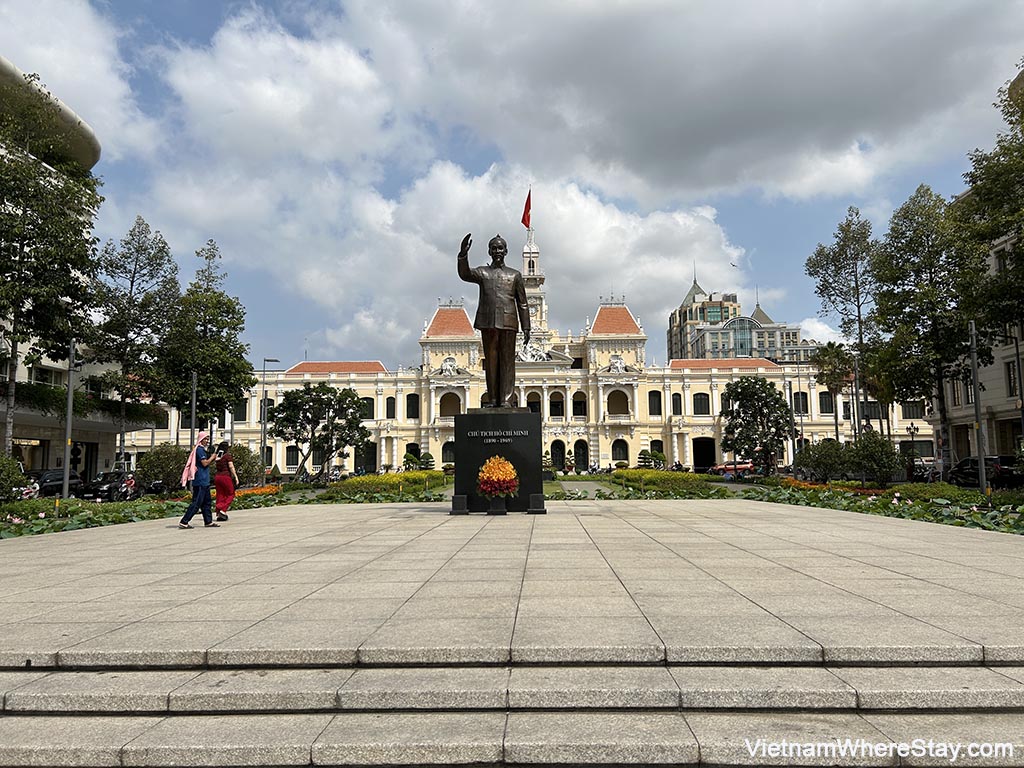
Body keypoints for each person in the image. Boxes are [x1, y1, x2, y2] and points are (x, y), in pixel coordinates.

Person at [458, 233, 530, 407]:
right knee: (491, 362)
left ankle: (506, 400)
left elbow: (523, 303)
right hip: (488, 322)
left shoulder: (515, 275)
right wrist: (463, 255)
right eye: (494, 248)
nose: (497, 251)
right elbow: (465, 274)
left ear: (506, 251)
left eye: (500, 248)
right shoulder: (483, 272)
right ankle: (492, 399)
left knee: (507, 361)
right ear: (489, 251)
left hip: (509, 322)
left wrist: (526, 327)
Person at [178, 432, 218, 529]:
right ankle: (184, 521)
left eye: (208, 439)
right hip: (200, 481)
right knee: (197, 502)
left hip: (205, 480)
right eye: (205, 439)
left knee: (206, 502)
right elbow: (204, 463)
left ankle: (208, 521)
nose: (207, 441)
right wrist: (212, 457)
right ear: (201, 439)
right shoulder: (199, 450)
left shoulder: (201, 450)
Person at [213, 441, 239, 522]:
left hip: (217, 477)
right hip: (225, 477)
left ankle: (218, 513)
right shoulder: (227, 456)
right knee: (231, 494)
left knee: (220, 494)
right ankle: (222, 509)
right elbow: (231, 466)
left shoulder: (217, 456)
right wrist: (236, 477)